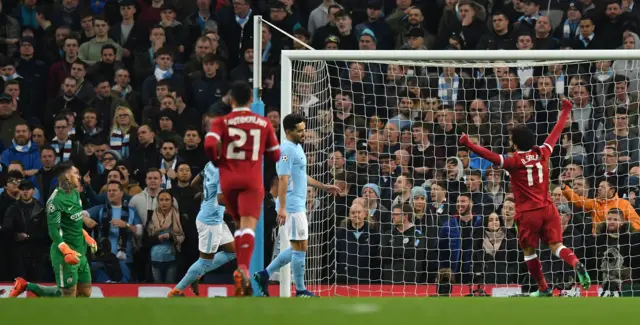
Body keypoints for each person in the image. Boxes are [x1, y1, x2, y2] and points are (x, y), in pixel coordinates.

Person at [459, 98, 591, 296]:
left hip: (528, 214)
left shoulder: (514, 161)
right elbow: (556, 132)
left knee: (529, 253)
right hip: (548, 208)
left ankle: (544, 289)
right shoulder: (542, 152)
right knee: (556, 245)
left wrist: (468, 143)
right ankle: (575, 262)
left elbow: (490, 156)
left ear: (516, 142)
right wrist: (566, 110)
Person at [204, 81, 281, 296]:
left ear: (231, 100)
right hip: (251, 179)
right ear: (250, 100)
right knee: (248, 226)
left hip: (228, 179)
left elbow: (209, 144)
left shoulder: (221, 122)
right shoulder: (263, 123)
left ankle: (241, 268)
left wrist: (218, 161)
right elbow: (275, 155)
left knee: (238, 225)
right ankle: (244, 268)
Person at [253, 114, 339, 297]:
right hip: (291, 205)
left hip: (296, 203)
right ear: (288, 131)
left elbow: (301, 175)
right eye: (299, 131)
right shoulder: (286, 150)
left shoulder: (296, 148)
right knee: (300, 247)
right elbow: (283, 179)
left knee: (299, 247)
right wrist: (283, 207)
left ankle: (264, 275)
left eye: (304, 129)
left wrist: (324, 187)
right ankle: (300, 290)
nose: (304, 133)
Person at [8, 161, 97, 298]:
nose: (79, 177)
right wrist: (66, 250)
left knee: (85, 292)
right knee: (68, 294)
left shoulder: (76, 194)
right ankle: (28, 287)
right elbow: (53, 231)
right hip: (64, 255)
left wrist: (86, 236)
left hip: (80, 251)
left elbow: (75, 221)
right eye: (76, 173)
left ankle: (25, 285)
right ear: (67, 176)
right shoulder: (55, 201)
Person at [168, 162, 237, 297]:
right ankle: (177, 291)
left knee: (232, 252)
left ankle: (197, 274)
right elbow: (222, 199)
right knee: (205, 261)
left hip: (213, 217)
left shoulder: (210, 163)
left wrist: (205, 195)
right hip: (210, 221)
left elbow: (194, 182)